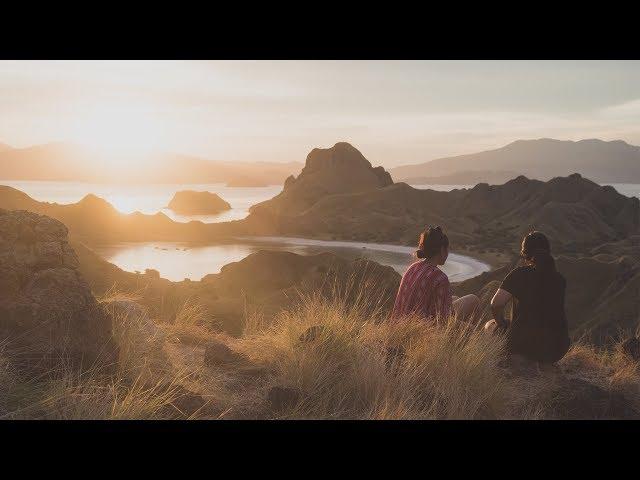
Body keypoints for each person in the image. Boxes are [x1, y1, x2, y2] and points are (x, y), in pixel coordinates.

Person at [485, 231, 570, 364]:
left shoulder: (519, 274)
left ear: (525, 254)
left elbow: (496, 304)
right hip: (557, 348)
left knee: (490, 325)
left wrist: (501, 323)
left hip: (524, 345)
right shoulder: (560, 280)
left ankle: (497, 363)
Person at [390, 226, 479, 322]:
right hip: (423, 331)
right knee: (473, 300)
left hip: (399, 324)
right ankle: (472, 335)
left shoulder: (412, 268)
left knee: (454, 298)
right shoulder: (440, 278)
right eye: (447, 249)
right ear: (442, 250)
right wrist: (466, 327)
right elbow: (443, 321)